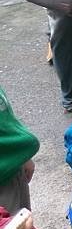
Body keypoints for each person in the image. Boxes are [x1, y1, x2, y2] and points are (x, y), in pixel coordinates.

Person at [0, 86, 39, 215]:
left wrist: (22, 155)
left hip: (11, 165)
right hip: (4, 179)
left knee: (24, 223)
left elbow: (4, 117)